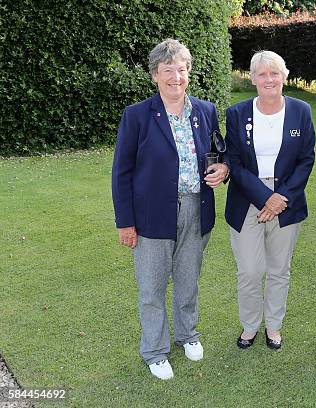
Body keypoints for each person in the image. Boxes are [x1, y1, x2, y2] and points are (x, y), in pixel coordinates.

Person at [111, 39, 229, 380]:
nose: (175, 77)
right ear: (155, 75)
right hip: (152, 216)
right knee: (152, 286)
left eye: (181, 70)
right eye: (167, 71)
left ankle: (187, 334)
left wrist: (224, 169)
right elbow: (122, 172)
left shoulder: (205, 111)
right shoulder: (137, 115)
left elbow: (218, 153)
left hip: (197, 208)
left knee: (188, 280)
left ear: (188, 72)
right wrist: (125, 222)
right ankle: (155, 350)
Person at [225, 51, 315, 350]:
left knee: (279, 269)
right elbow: (234, 162)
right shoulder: (237, 113)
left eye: (274, 73)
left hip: (287, 201)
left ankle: (273, 326)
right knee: (249, 269)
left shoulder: (301, 111)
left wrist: (281, 197)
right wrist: (266, 198)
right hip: (247, 198)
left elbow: (306, 159)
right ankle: (250, 325)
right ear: (252, 78)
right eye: (261, 74)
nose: (268, 79)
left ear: (284, 76)